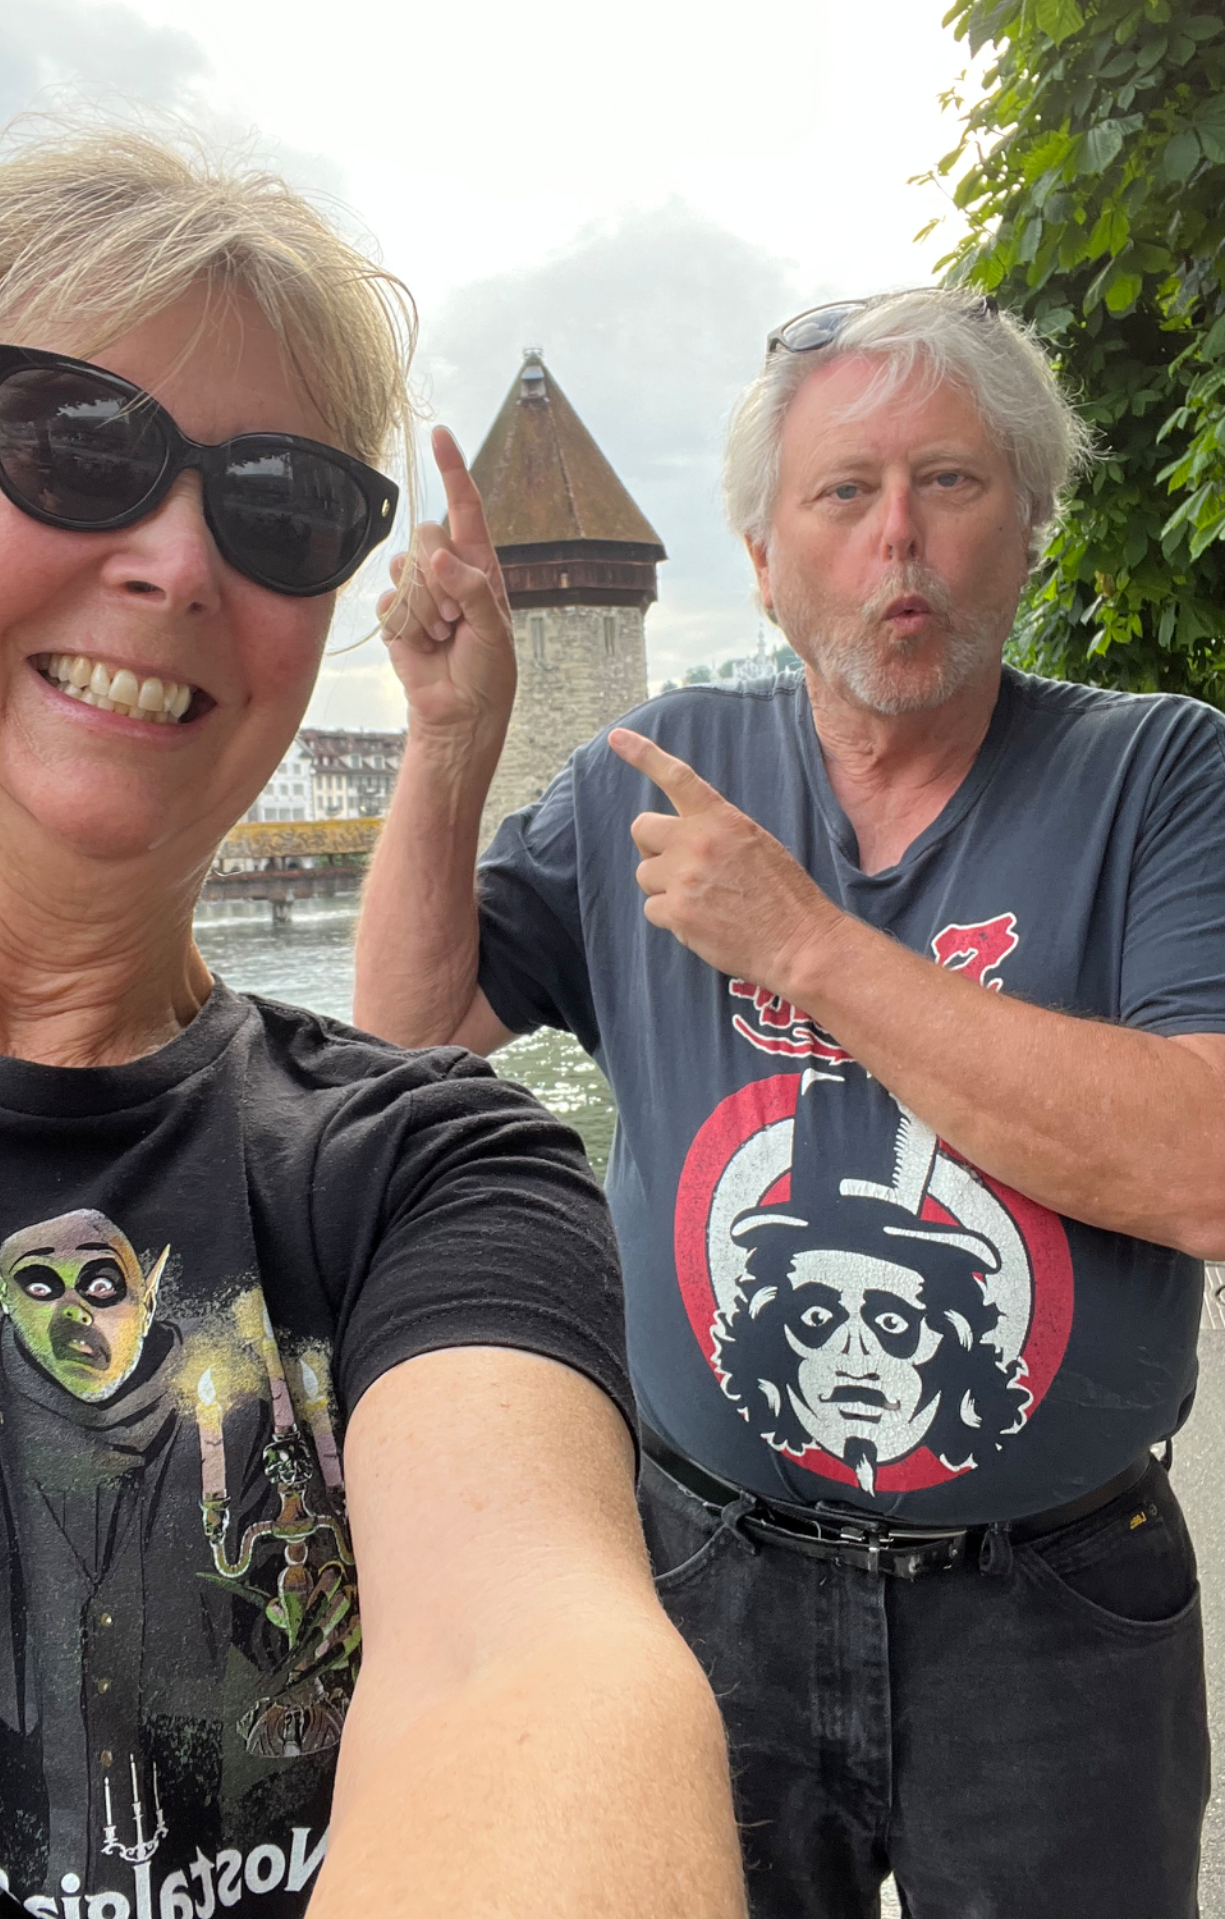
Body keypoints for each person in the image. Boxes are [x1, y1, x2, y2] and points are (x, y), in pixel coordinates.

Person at [0, 126, 741, 1919]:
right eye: (71, 441)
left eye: (280, 504)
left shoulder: (438, 1173)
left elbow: (528, 1672)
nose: (180, 559)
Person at [353, 286, 1225, 1919]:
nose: (900, 537)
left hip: (1053, 1610)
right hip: (707, 1579)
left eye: (951, 482)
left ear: (1030, 524)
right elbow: (407, 1032)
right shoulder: (650, 772)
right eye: (843, 492)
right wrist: (451, 738)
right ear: (762, 556)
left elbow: (1204, 1165)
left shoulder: (1161, 777)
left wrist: (806, 947)